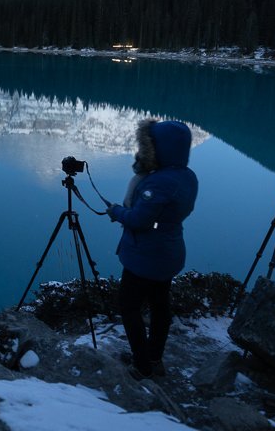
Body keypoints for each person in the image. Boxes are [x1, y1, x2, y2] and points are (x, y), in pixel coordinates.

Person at [107, 119, 198, 380]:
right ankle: (153, 358)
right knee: (160, 306)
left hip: (145, 257)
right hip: (168, 252)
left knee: (129, 306)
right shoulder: (186, 176)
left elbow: (139, 220)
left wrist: (116, 212)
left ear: (158, 148)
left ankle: (142, 365)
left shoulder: (158, 183)